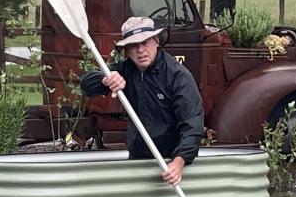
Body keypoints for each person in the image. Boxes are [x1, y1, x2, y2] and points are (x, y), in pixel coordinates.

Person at [80, 16, 204, 186]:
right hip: (137, 160)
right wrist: (105, 79)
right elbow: (86, 83)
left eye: (145, 43)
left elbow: (192, 124)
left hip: (170, 163)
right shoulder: (125, 69)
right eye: (133, 46)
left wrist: (179, 161)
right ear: (126, 50)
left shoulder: (178, 76)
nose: (140, 50)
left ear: (156, 41)